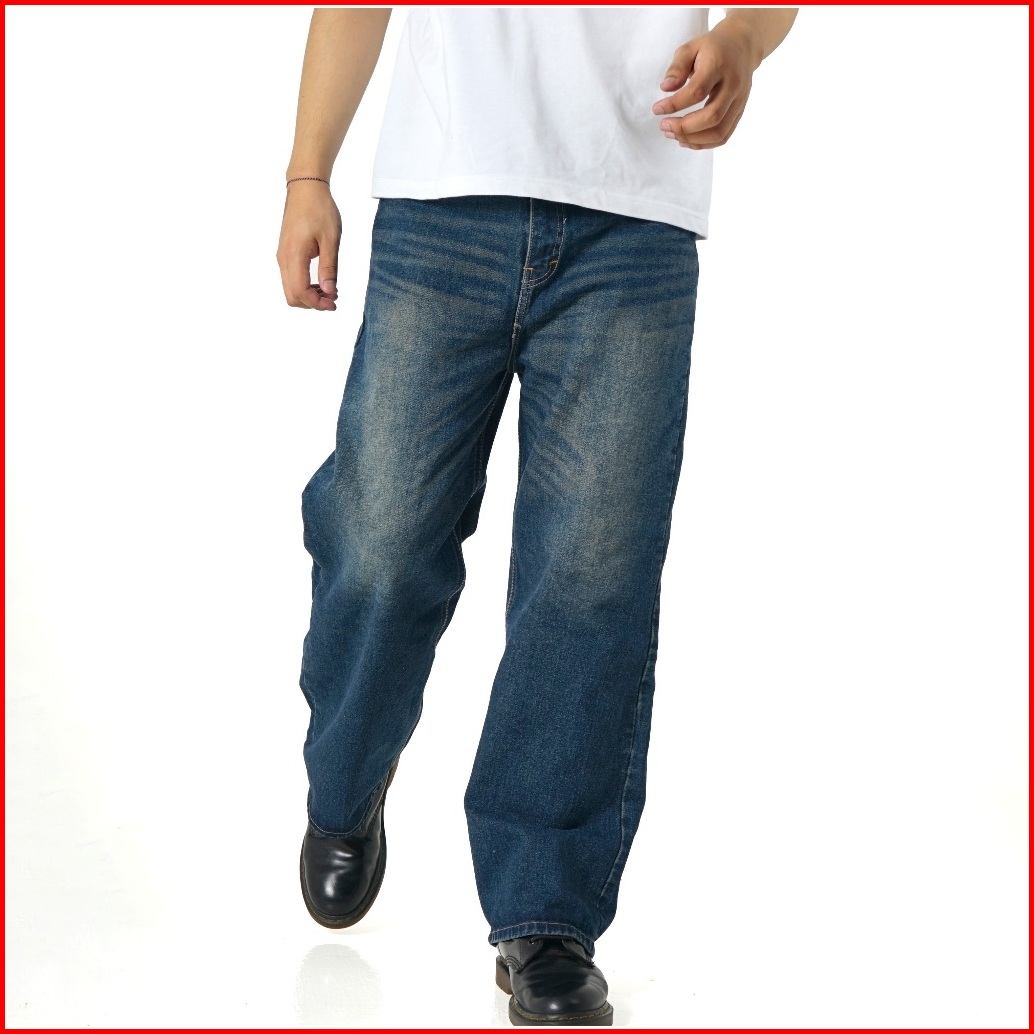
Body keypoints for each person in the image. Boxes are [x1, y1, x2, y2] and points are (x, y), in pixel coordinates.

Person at [276, 7, 797, 1025]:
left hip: (633, 211)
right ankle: (346, 770)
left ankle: (545, 915)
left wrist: (741, 41)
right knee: (379, 541)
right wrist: (307, 173)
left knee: (591, 578)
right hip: (443, 196)